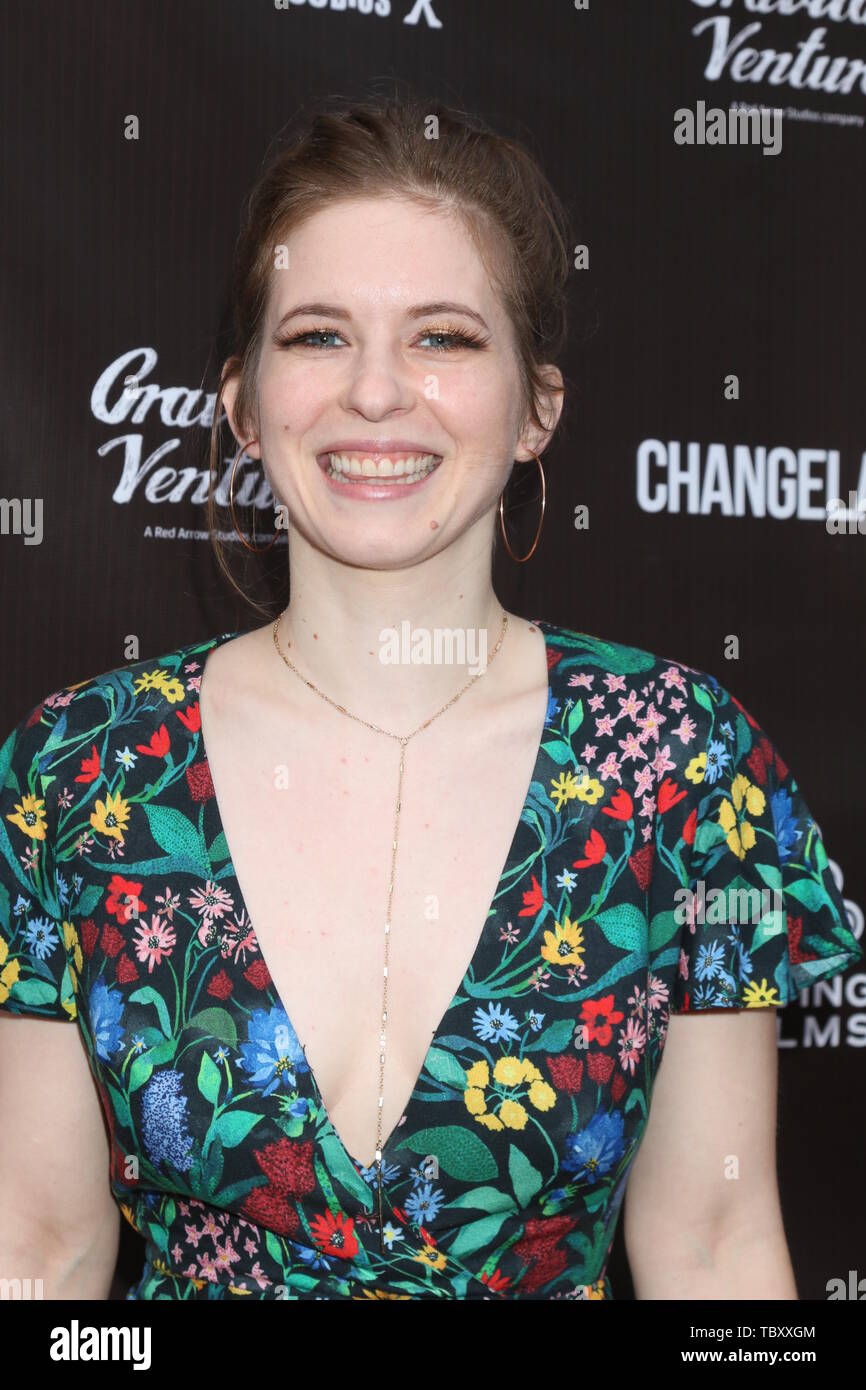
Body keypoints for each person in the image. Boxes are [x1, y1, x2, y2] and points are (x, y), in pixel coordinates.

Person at [0, 95, 860, 1303]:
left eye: (443, 338)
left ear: (536, 407)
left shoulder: (684, 765)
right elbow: (35, 1257)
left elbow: (714, 1249)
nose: (373, 394)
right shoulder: (80, 772)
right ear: (245, 406)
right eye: (315, 336)